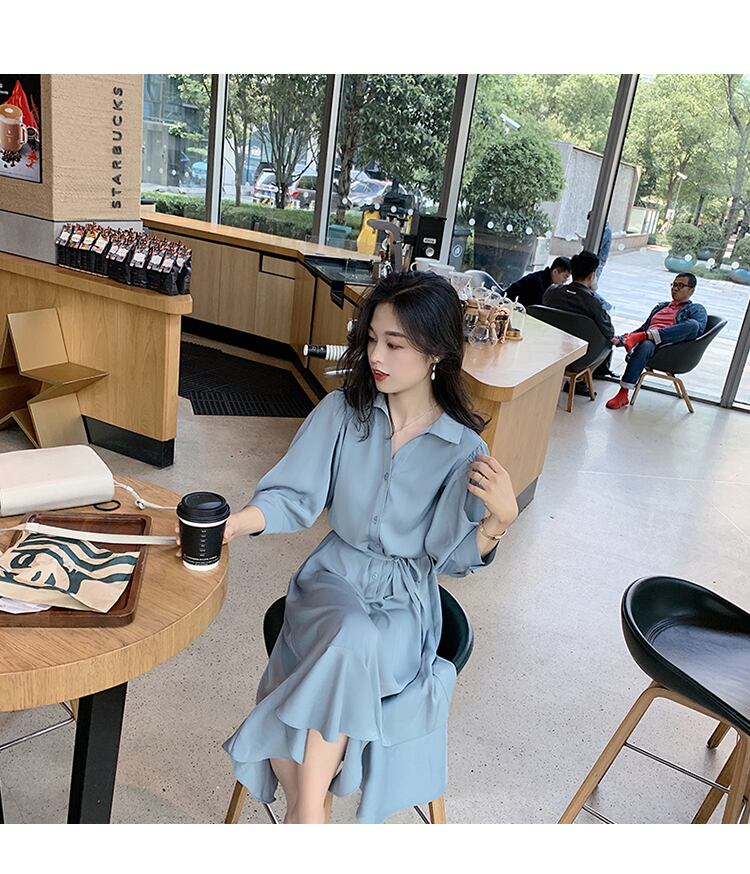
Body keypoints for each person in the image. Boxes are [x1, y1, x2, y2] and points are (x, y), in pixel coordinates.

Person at [217, 271, 519, 824]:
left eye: (394, 345)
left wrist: (499, 523)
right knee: (349, 635)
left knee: (351, 647)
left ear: (436, 354)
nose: (376, 355)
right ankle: (311, 815)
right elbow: (294, 495)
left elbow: (450, 558)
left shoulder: (463, 448)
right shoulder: (342, 413)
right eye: (372, 338)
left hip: (405, 606)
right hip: (332, 580)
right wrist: (240, 522)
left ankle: (307, 813)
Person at [606, 273, 707, 410]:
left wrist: (642, 336)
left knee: (693, 325)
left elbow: (697, 331)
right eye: (674, 284)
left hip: (672, 347)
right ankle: (623, 394)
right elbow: (643, 328)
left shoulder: (696, 309)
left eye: (680, 285)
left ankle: (644, 337)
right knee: (646, 344)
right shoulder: (661, 307)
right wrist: (623, 339)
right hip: (649, 345)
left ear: (691, 290)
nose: (675, 288)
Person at [503, 256, 571, 309]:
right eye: (565, 277)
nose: (565, 281)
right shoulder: (537, 282)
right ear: (555, 272)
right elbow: (537, 309)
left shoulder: (546, 281)